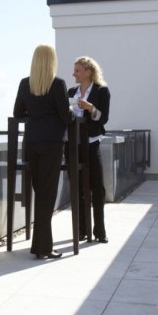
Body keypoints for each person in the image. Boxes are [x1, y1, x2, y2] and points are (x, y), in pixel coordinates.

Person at [13, 44, 74, 259]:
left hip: (31, 143)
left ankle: (39, 246)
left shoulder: (24, 83)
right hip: (51, 144)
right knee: (47, 196)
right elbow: (66, 118)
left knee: (41, 194)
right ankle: (44, 248)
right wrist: (69, 110)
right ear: (51, 61)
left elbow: (17, 113)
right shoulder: (57, 84)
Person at [67, 56, 111, 243]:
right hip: (73, 145)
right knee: (77, 189)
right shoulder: (70, 92)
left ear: (88, 71)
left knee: (97, 189)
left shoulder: (102, 91)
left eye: (77, 70)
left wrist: (91, 108)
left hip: (92, 144)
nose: (73, 74)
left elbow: (103, 118)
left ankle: (99, 231)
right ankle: (81, 231)